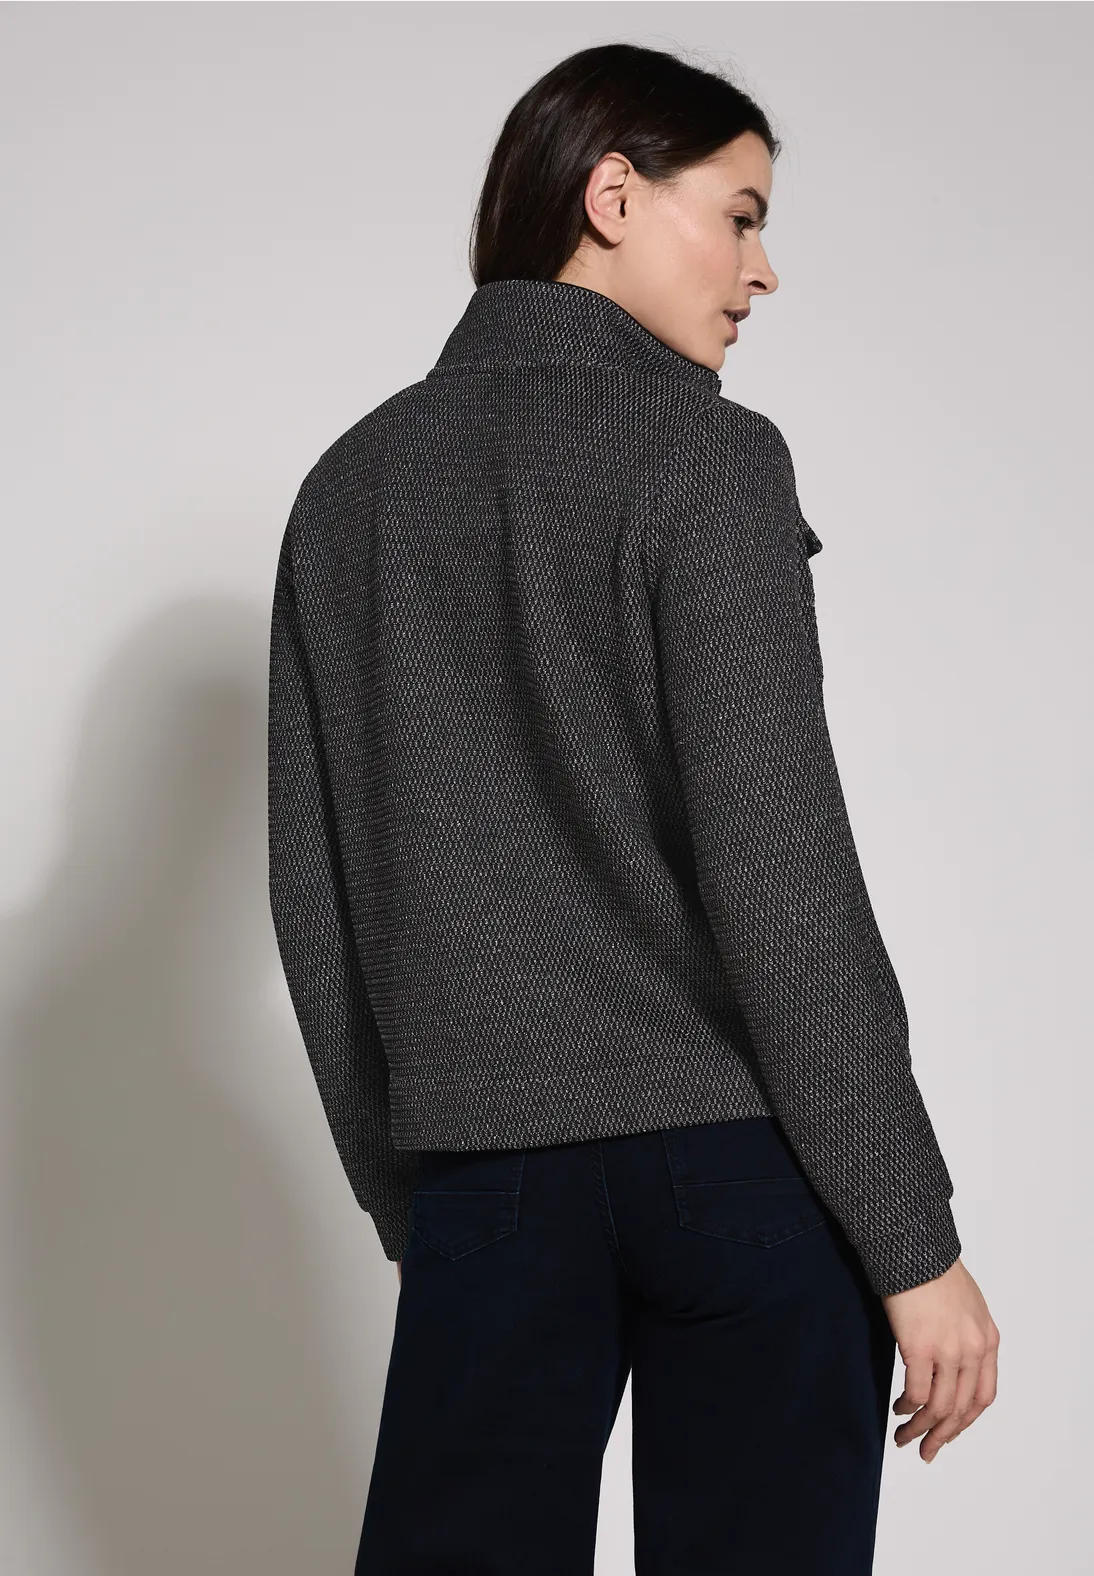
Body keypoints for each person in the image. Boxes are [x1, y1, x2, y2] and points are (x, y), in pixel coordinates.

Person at [267, 40, 999, 1576]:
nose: (761, 270)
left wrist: (425, 1209)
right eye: (737, 216)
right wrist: (912, 1241)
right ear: (611, 196)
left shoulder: (348, 490)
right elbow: (782, 872)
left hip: (485, 1183)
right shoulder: (704, 457)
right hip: (741, 1176)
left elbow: (314, 900)